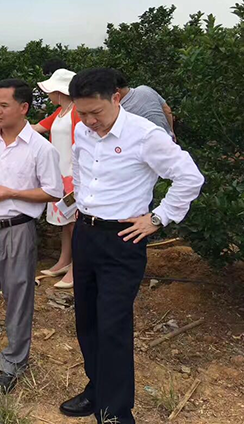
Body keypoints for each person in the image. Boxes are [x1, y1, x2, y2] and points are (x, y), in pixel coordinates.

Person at [59, 68, 204, 423]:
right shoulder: (83, 130)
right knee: (87, 321)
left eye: (96, 112)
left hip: (122, 240)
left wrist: (158, 218)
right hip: (86, 234)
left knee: (113, 326)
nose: (89, 121)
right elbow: (80, 168)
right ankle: (97, 389)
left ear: (116, 98)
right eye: (82, 113)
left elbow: (189, 177)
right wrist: (80, 204)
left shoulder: (145, 135)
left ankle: (116, 413)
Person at [0, 79, 63, 393]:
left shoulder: (41, 149)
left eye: (3, 105)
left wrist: (12, 193)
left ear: (23, 108)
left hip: (17, 230)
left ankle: (13, 363)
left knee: (18, 297)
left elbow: (53, 191)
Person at [32, 68, 80, 289]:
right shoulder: (60, 112)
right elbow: (37, 128)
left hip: (72, 175)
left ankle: (76, 267)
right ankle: (64, 260)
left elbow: (80, 145)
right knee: (65, 222)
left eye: (51, 91)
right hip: (59, 175)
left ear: (60, 92)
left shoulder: (76, 111)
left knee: (74, 223)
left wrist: (76, 176)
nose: (48, 95)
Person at [114, 70, 175, 138]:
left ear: (117, 90)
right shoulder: (145, 89)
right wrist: (171, 131)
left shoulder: (121, 111)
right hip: (167, 138)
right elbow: (167, 110)